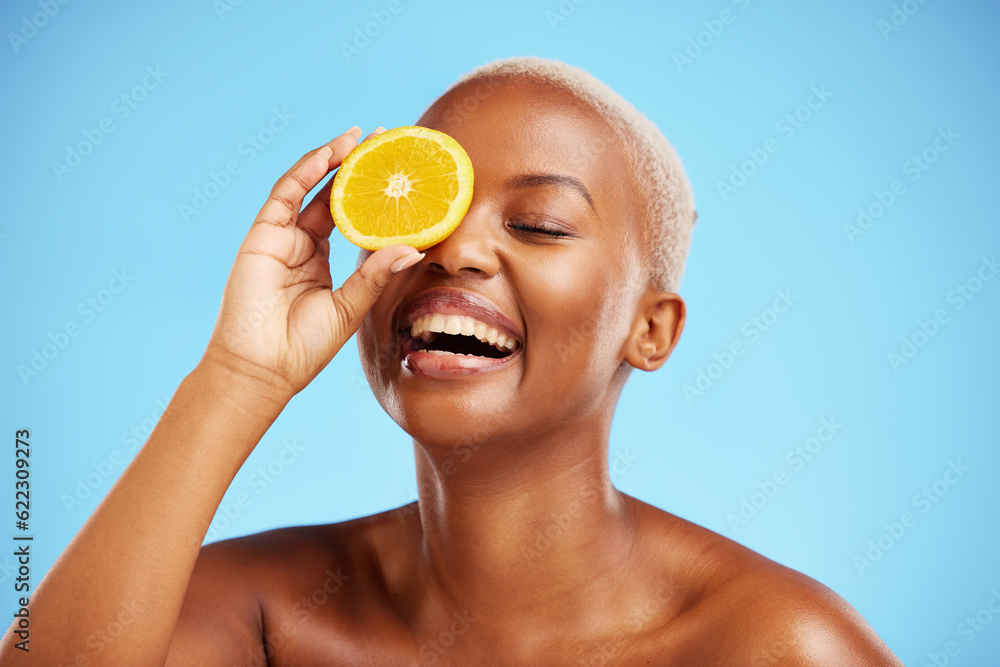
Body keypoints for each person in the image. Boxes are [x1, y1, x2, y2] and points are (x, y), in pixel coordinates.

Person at [2, 57, 903, 666]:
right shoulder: (267, 612)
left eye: (538, 224)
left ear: (653, 330)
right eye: (424, 214)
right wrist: (237, 380)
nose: (454, 252)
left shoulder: (773, 644)